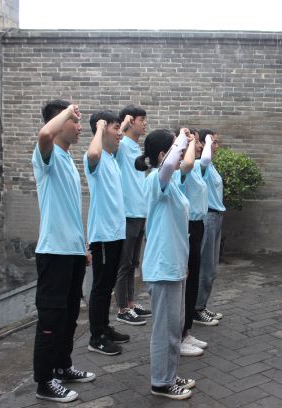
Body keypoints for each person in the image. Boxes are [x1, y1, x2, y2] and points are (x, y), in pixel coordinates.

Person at [32, 100, 95, 403]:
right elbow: (44, 135)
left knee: (69, 317)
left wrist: (82, 246)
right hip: (53, 253)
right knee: (51, 320)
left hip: (71, 253)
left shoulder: (68, 158)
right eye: (74, 121)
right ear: (58, 123)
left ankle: (62, 366)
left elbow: (69, 210)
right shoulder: (46, 155)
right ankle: (44, 382)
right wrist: (67, 110)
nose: (79, 126)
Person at [136, 129, 196, 400]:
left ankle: (169, 374)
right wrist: (182, 137)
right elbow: (172, 163)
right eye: (175, 148)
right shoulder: (155, 180)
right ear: (163, 154)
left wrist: (184, 264)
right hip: (163, 269)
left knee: (175, 327)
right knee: (165, 331)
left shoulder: (170, 183)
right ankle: (161, 382)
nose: (181, 153)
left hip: (174, 267)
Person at [84, 111, 129, 356]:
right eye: (114, 128)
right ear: (101, 130)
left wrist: (121, 125)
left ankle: (105, 327)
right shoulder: (95, 157)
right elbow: (93, 153)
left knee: (108, 284)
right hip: (102, 234)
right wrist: (100, 127)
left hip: (116, 233)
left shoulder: (111, 158)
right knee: (101, 288)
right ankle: (96, 337)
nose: (119, 133)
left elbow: (120, 136)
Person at [114, 105, 151, 326]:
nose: (145, 123)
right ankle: (122, 308)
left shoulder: (136, 148)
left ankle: (130, 302)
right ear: (130, 121)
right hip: (127, 213)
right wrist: (122, 126)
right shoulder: (121, 145)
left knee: (133, 262)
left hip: (140, 212)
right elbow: (109, 147)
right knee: (124, 263)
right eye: (141, 119)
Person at [178, 128, 210, 356]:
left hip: (197, 226)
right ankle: (179, 335)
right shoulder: (182, 168)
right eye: (195, 142)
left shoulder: (197, 168)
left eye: (198, 142)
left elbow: (202, 160)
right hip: (187, 226)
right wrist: (187, 140)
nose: (198, 146)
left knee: (193, 282)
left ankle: (186, 331)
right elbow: (191, 161)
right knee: (186, 284)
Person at [194, 129, 224, 326]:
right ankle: (196, 309)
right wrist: (206, 139)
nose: (216, 146)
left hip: (216, 218)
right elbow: (203, 159)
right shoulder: (200, 165)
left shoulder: (210, 166)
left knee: (211, 268)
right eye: (214, 142)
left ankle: (202, 305)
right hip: (208, 217)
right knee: (205, 266)